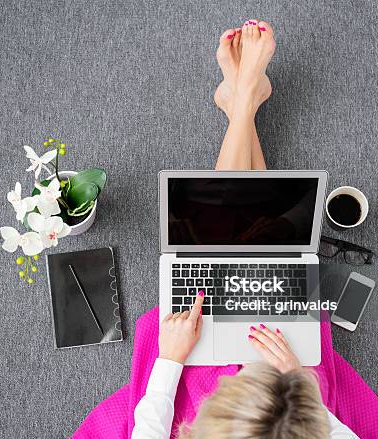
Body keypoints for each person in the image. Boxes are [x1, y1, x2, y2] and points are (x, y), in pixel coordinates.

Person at [131, 20, 359, 438]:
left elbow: (148, 427)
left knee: (227, 247)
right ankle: (242, 100)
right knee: (257, 247)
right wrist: (297, 382)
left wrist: (169, 361)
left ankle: (243, 100)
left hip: (195, 378)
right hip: (284, 399)